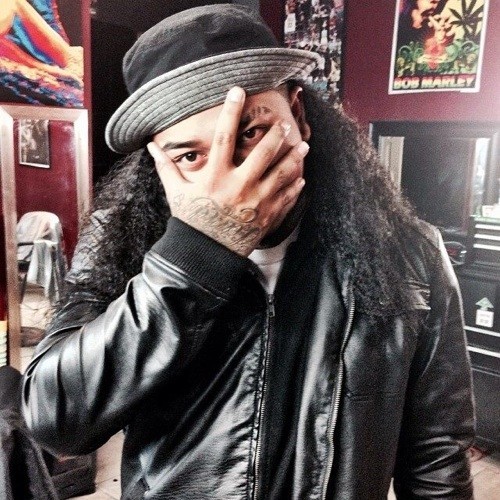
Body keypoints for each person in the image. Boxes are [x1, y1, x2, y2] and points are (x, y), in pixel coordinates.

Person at [22, 4, 475, 499]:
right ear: (159, 163)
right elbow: (56, 420)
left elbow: (435, 454)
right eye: (191, 155)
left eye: (251, 134)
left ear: (298, 116)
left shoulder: (410, 254)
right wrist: (195, 256)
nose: (233, 177)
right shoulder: (121, 240)